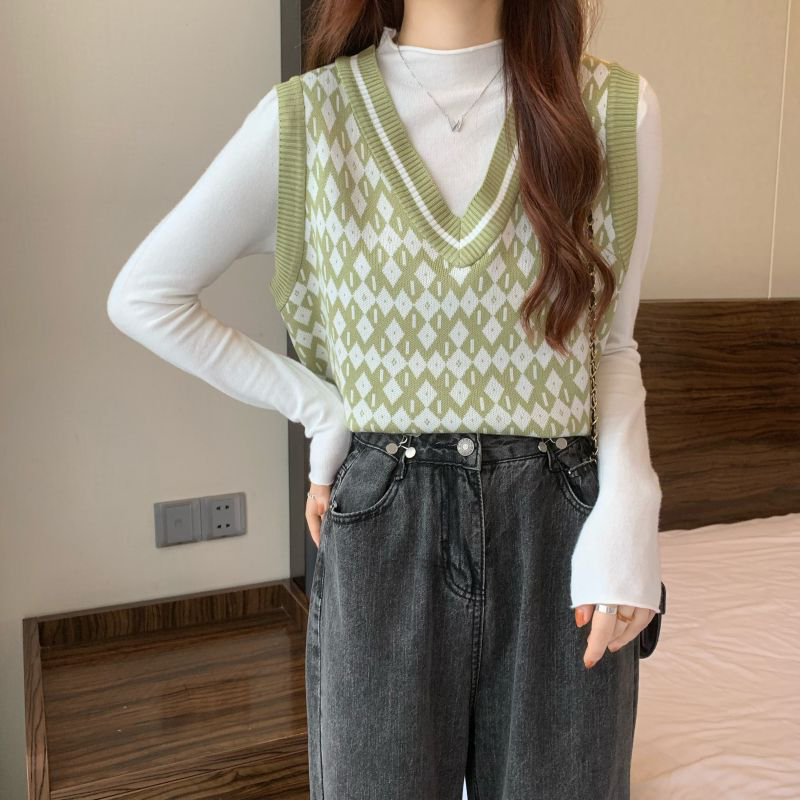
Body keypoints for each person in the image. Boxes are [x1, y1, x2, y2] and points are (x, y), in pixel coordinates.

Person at [107, 1, 664, 796]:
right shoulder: (309, 121)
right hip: (383, 534)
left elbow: (610, 348)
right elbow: (145, 296)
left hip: (563, 536)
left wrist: (632, 511)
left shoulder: (612, 112)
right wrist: (321, 407)